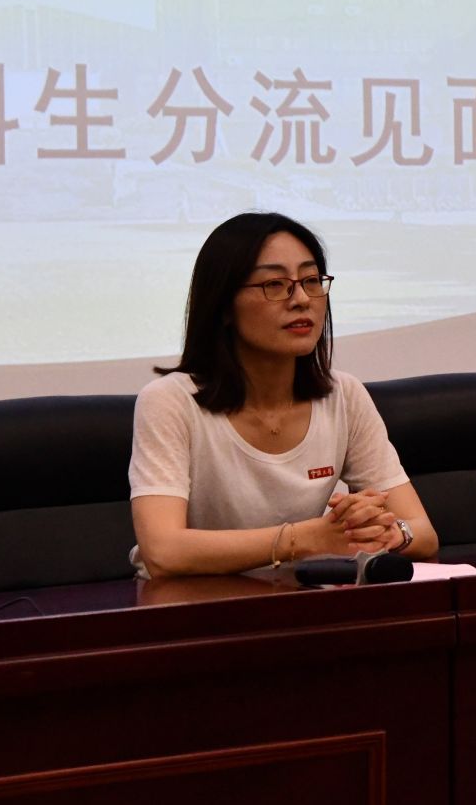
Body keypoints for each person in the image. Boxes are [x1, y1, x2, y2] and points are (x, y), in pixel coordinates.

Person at [129, 212, 438, 577]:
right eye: (274, 285)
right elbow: (163, 551)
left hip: (297, 597)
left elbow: (424, 533)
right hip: (191, 602)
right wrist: (308, 538)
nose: (301, 299)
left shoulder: (344, 395)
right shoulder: (170, 401)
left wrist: (382, 532)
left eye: (311, 280)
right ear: (223, 306)